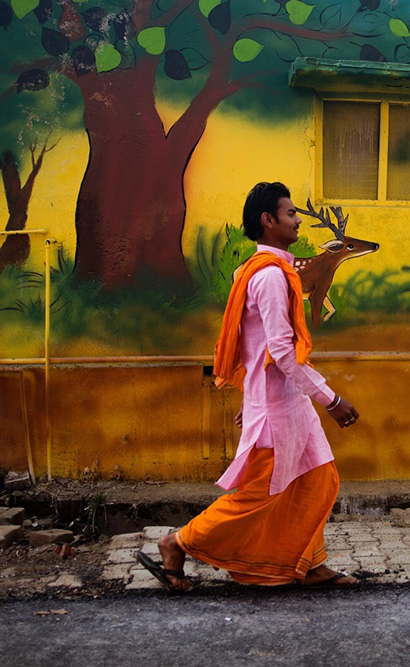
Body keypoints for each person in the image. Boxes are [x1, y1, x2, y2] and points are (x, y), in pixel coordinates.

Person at [136, 182, 360, 592]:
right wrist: (331, 399)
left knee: (318, 480)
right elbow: (280, 351)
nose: (297, 220)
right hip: (278, 412)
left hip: (286, 404)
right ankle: (177, 542)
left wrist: (251, 395)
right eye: (290, 213)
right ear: (268, 220)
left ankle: (308, 563)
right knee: (259, 494)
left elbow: (252, 348)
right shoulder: (271, 277)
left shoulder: (267, 271)